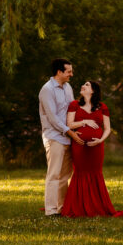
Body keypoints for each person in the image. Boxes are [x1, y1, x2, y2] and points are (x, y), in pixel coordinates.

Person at [60, 80, 123, 218]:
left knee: (95, 173)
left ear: (93, 90)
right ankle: (78, 206)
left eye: (86, 85)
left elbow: (107, 128)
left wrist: (100, 140)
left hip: (97, 147)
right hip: (79, 145)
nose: (82, 86)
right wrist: (84, 122)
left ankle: (97, 205)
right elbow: (69, 124)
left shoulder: (102, 107)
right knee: (80, 172)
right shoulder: (74, 105)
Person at [39, 58, 94, 216]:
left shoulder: (67, 87)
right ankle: (50, 211)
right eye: (69, 71)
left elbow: (73, 109)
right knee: (54, 174)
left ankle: (62, 208)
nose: (71, 74)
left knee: (64, 176)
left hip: (69, 137)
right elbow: (52, 118)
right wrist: (70, 132)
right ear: (59, 72)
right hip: (54, 136)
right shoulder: (47, 90)